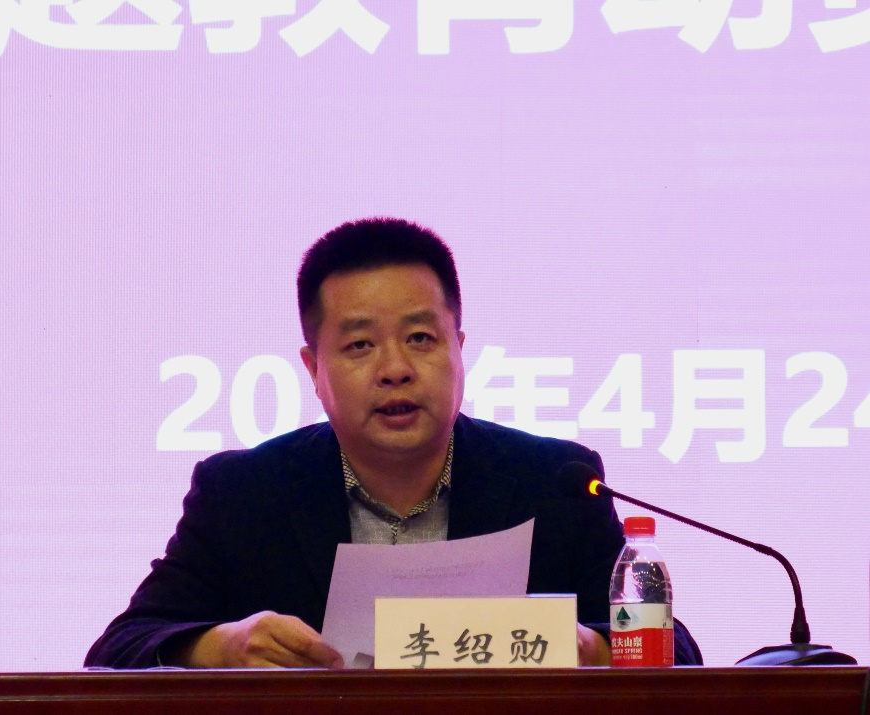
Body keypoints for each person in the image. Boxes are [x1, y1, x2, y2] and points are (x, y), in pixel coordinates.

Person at [85, 218, 701, 669]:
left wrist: (593, 647)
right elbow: (118, 649)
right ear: (313, 369)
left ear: (460, 349)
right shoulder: (243, 493)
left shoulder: (555, 482)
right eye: (360, 345)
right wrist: (220, 646)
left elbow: (678, 651)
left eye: (421, 339)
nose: (396, 369)